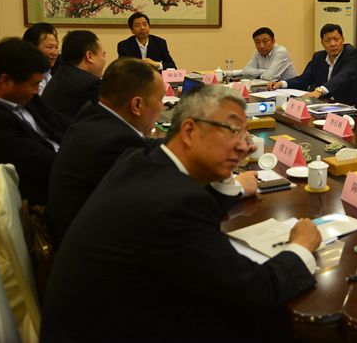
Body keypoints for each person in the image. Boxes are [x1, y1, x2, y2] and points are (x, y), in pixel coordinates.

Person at [41, 85, 321, 342]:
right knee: (269, 321)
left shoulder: (141, 161)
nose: (244, 145)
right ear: (189, 132)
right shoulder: (177, 205)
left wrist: (224, 174)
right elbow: (259, 290)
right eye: (233, 131)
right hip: (118, 330)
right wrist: (300, 246)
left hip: (96, 318)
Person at [46, 58, 166, 247]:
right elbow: (152, 201)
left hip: (76, 232)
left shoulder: (93, 116)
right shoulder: (115, 144)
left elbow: (144, 145)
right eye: (160, 99)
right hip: (89, 249)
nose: (162, 106)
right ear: (136, 105)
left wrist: (179, 143)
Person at [0, 38, 70, 206]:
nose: (37, 90)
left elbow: (62, 122)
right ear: (5, 81)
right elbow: (43, 165)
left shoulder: (22, 94)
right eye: (35, 84)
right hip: (47, 196)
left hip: (65, 165)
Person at [268, 23, 357, 107]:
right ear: (322, 43)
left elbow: (343, 76)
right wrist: (281, 84)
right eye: (328, 40)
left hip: (353, 107)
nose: (333, 44)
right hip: (325, 105)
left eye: (336, 39)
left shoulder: (352, 54)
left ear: (343, 40)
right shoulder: (318, 57)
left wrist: (319, 91)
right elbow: (304, 80)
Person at [42, 30, 106, 118]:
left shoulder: (60, 74)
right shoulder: (91, 84)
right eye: (103, 55)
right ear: (89, 56)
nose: (104, 60)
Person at [22, 23, 60, 94]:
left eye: (56, 47)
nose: (55, 53)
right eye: (50, 47)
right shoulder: (24, 77)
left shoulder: (48, 72)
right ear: (32, 48)